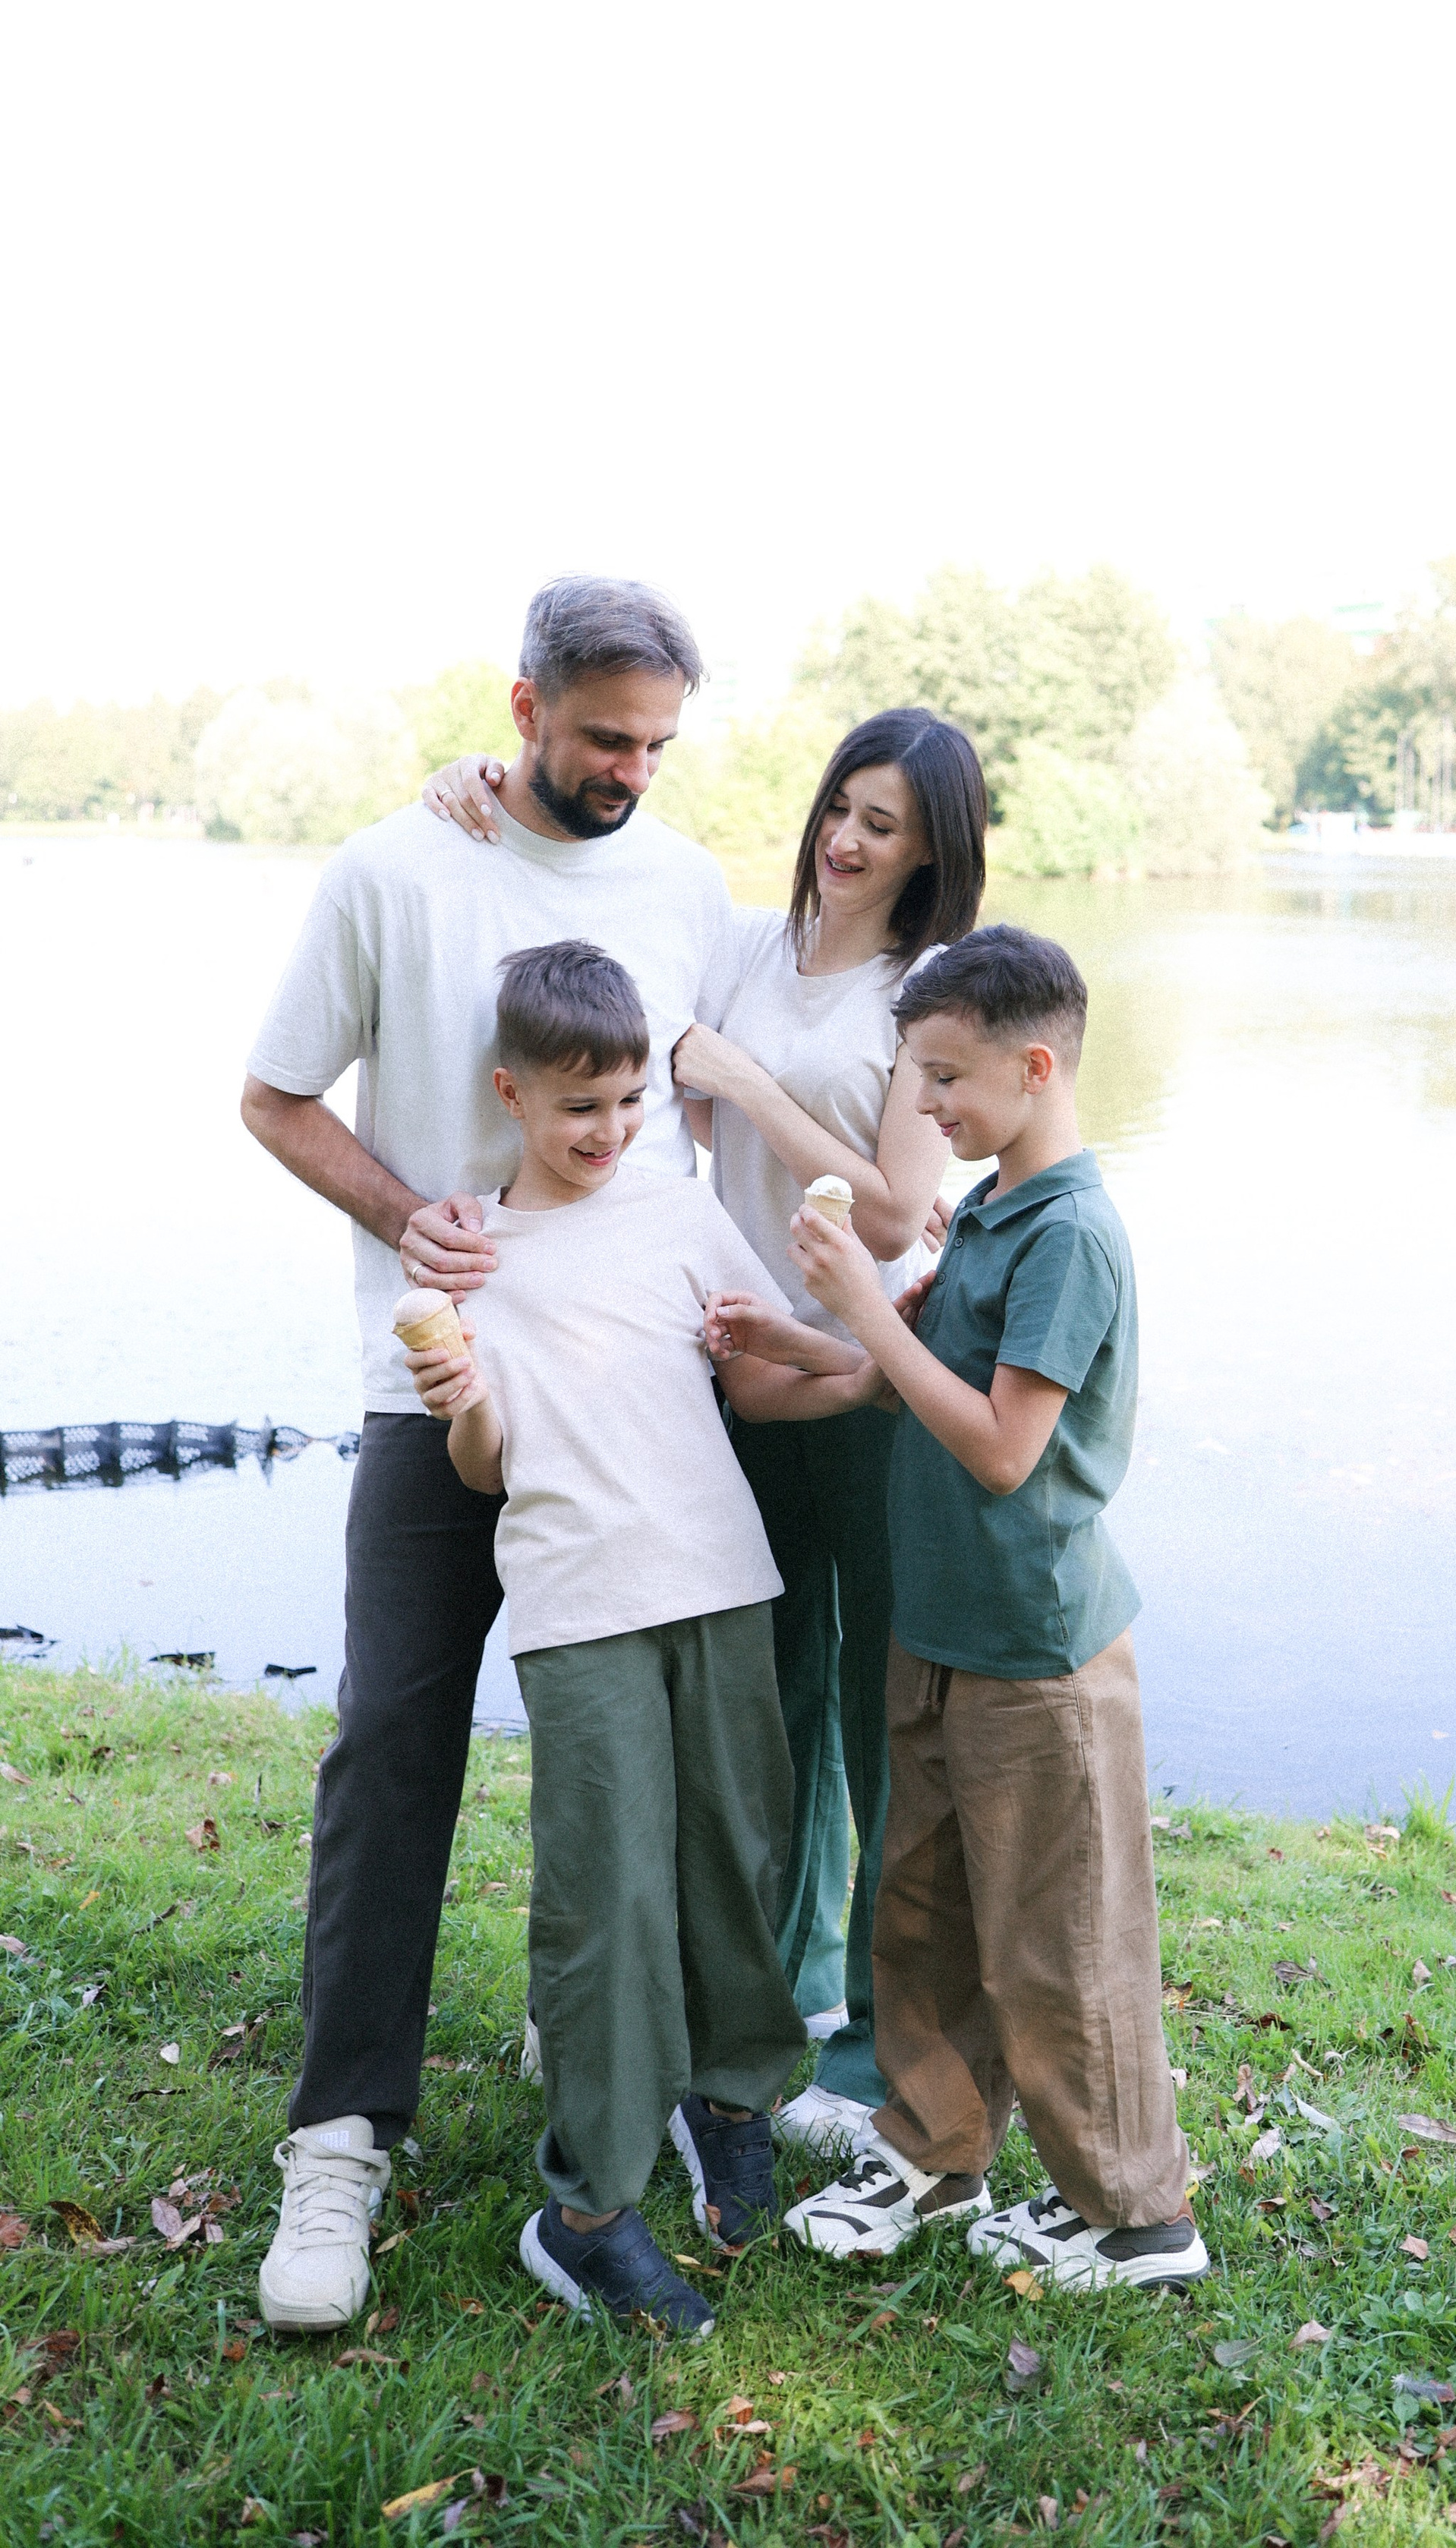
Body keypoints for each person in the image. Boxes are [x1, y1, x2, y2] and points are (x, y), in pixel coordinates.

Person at [242, 575, 734, 2335]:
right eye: (603, 737)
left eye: (656, 744)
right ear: (520, 708)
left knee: (634, 1753)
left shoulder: (686, 886)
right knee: (392, 1741)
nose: (630, 772)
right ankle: (339, 2140)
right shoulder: (394, 867)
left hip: (634, 1406)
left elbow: (735, 1079)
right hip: (434, 1390)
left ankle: (606, 2053)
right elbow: (276, 1098)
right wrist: (409, 1217)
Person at [420, 707, 987, 2153]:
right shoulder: (743, 947)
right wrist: (481, 784)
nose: (847, 841)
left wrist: (744, 1084)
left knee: (877, 1715)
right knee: (768, 1714)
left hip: (861, 1361)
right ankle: (763, 2004)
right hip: (723, 1362)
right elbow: (587, 942)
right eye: (841, 807)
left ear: (931, 856)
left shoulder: (922, 995)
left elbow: (897, 1213)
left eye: (884, 827)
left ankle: (870, 2051)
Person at [723, 924, 1208, 2292]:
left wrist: (860, 1306)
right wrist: (792, 1335)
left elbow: (1001, 1448)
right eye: (915, 1075)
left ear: (1036, 1067)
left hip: (1034, 1651)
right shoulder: (991, 1211)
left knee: (1060, 1946)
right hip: (935, 1628)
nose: (922, 1106)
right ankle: (935, 2151)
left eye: (944, 1077)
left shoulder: (1072, 1237)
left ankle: (1135, 2216)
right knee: (922, 1915)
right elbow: (900, 1381)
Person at [402, 938, 879, 2330]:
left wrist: (871, 1365)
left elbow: (758, 1371)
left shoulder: (678, 1211)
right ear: (511, 1094)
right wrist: (461, 1400)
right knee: (607, 1901)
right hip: (581, 1607)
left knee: (739, 1859)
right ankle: (589, 2209)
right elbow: (486, 1468)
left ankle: (727, 2099)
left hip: (721, 1580)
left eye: (626, 1103)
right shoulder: (471, 1259)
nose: (606, 1131)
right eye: (577, 1108)